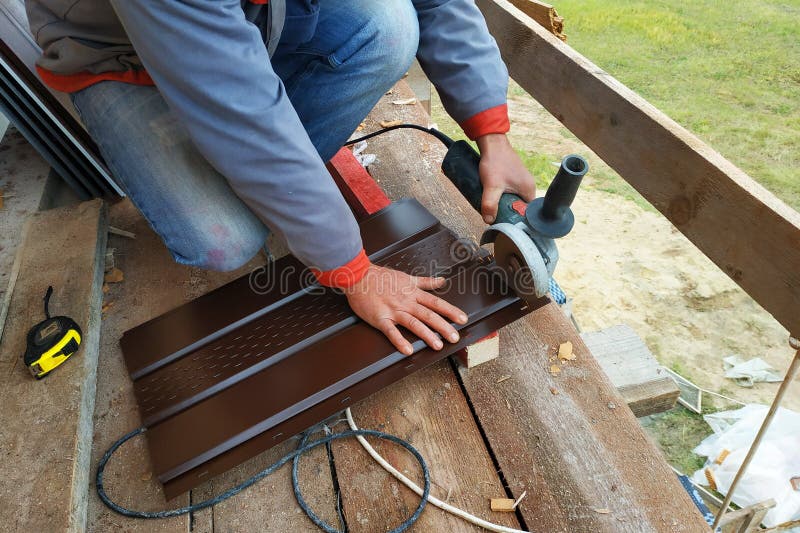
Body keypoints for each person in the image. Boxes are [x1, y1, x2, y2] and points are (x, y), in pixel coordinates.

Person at [26, 0, 536, 355]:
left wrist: (492, 134)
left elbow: (439, 3)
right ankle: (270, 186)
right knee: (224, 239)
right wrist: (354, 272)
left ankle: (276, 185)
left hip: (252, 16)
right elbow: (239, 106)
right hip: (112, 52)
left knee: (389, 27)